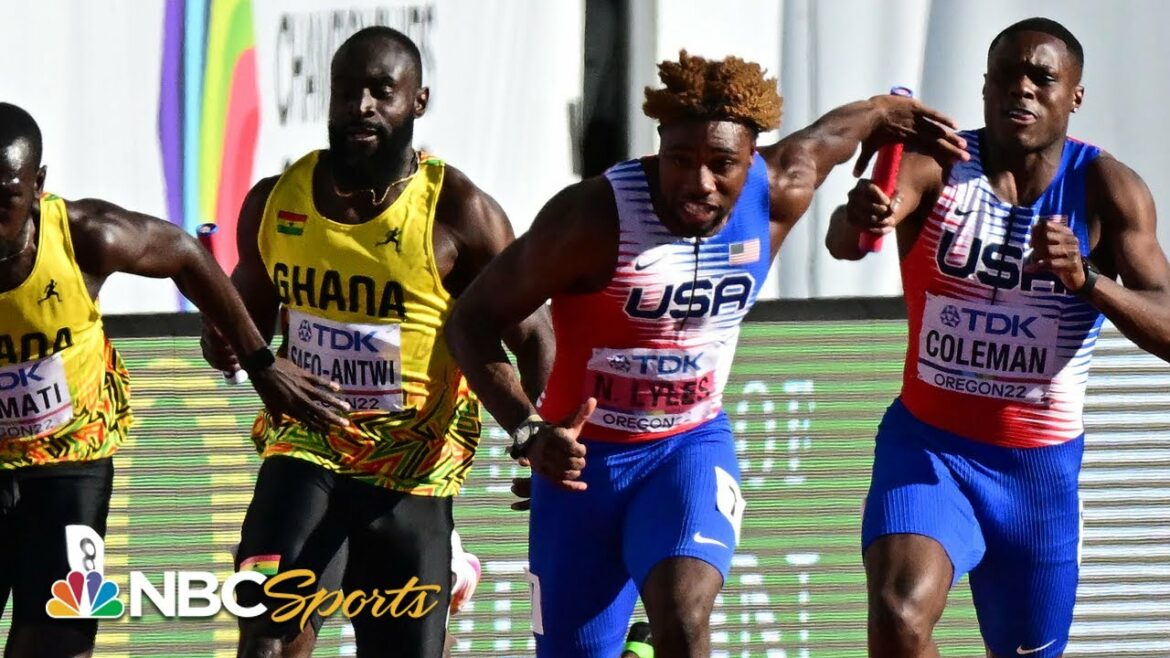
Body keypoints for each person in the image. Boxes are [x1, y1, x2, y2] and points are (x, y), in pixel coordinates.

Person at [445, 50, 967, 657]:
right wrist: (531, 432)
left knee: (686, 620)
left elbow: (836, 134)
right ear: (658, 145)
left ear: (753, 159)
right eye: (680, 161)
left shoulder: (779, 191)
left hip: (687, 450)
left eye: (722, 164)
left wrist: (886, 111)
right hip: (586, 467)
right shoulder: (591, 216)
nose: (698, 183)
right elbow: (472, 323)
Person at [201, 26, 553, 657]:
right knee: (268, 638)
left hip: (413, 472)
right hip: (306, 453)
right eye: (346, 90)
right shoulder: (275, 201)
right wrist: (228, 347)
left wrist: (531, 434)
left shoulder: (458, 212)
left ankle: (446, 555)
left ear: (418, 102)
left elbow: (535, 334)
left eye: (381, 92)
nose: (361, 105)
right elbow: (238, 332)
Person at [826, 17, 1170, 658]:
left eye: (1042, 78)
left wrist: (1088, 278)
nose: (1023, 90)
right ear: (983, 87)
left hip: (1036, 472)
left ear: (1075, 95)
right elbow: (848, 241)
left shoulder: (1105, 188)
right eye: (1006, 75)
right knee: (899, 616)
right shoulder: (938, 166)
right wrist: (860, 214)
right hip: (930, 448)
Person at [0, 102, 347, 658]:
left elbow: (187, 255)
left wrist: (261, 361)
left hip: (71, 464)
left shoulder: (87, 236)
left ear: (38, 186)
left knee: (58, 645)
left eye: (4, 198)